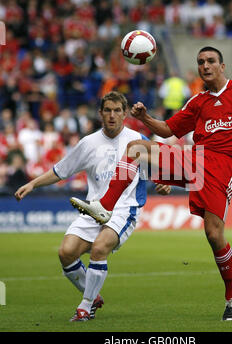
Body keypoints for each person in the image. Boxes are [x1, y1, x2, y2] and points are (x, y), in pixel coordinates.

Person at [70, 47, 232, 321]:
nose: (205, 66)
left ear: (222, 66)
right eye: (200, 62)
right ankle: (105, 206)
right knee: (136, 148)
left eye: (210, 61)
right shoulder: (197, 102)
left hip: (223, 165)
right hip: (196, 158)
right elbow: (169, 130)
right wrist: (145, 117)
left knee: (213, 234)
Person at [14, 91, 170, 322]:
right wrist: (32, 184)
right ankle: (93, 295)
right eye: (107, 110)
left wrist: (164, 182)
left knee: (99, 249)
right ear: (100, 113)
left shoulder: (138, 140)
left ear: (125, 114)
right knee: (66, 253)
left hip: (124, 209)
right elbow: (61, 170)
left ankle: (86, 307)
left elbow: (161, 166)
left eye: (117, 110)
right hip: (93, 209)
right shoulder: (88, 143)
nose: (112, 115)